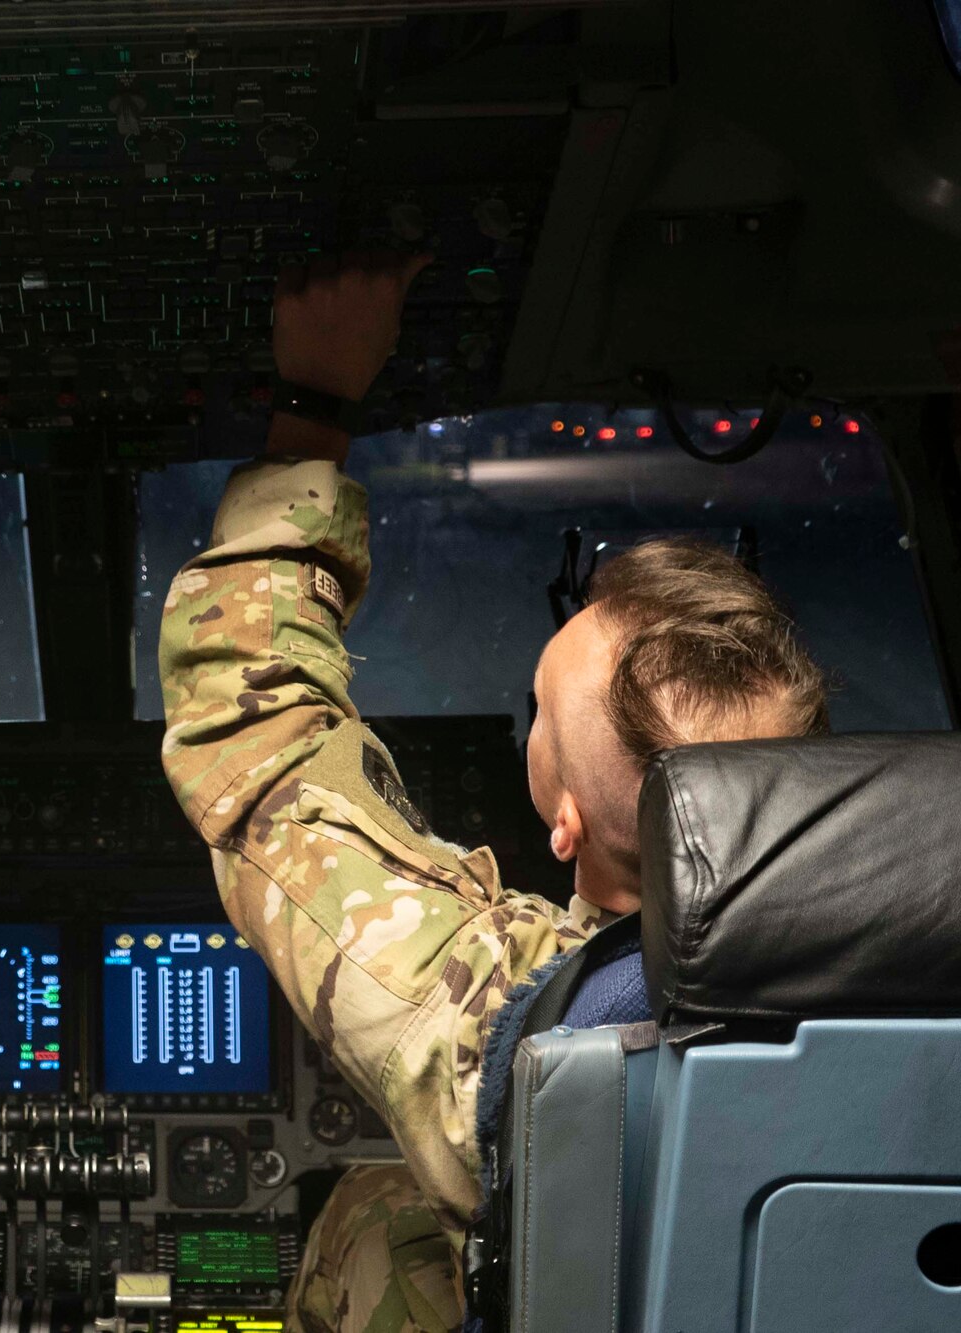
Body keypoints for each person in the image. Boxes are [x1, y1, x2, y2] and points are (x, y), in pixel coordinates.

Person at [157, 255, 828, 1332]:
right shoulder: (920, 966)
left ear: (564, 825)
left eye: (537, 715)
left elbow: (257, 737)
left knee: (368, 1218)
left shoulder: (513, 1031)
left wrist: (316, 404)